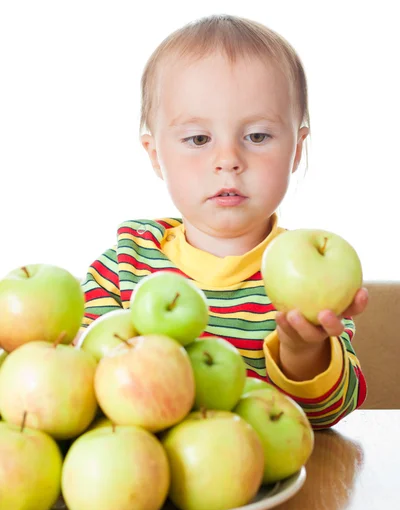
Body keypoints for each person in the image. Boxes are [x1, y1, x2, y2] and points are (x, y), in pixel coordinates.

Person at [80, 14, 368, 430]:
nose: (228, 160)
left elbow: (327, 417)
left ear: (297, 150)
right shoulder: (123, 267)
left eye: (257, 136)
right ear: (156, 154)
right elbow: (77, 387)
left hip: (261, 480)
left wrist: (303, 351)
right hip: (145, 479)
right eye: (199, 139)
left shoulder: (313, 281)